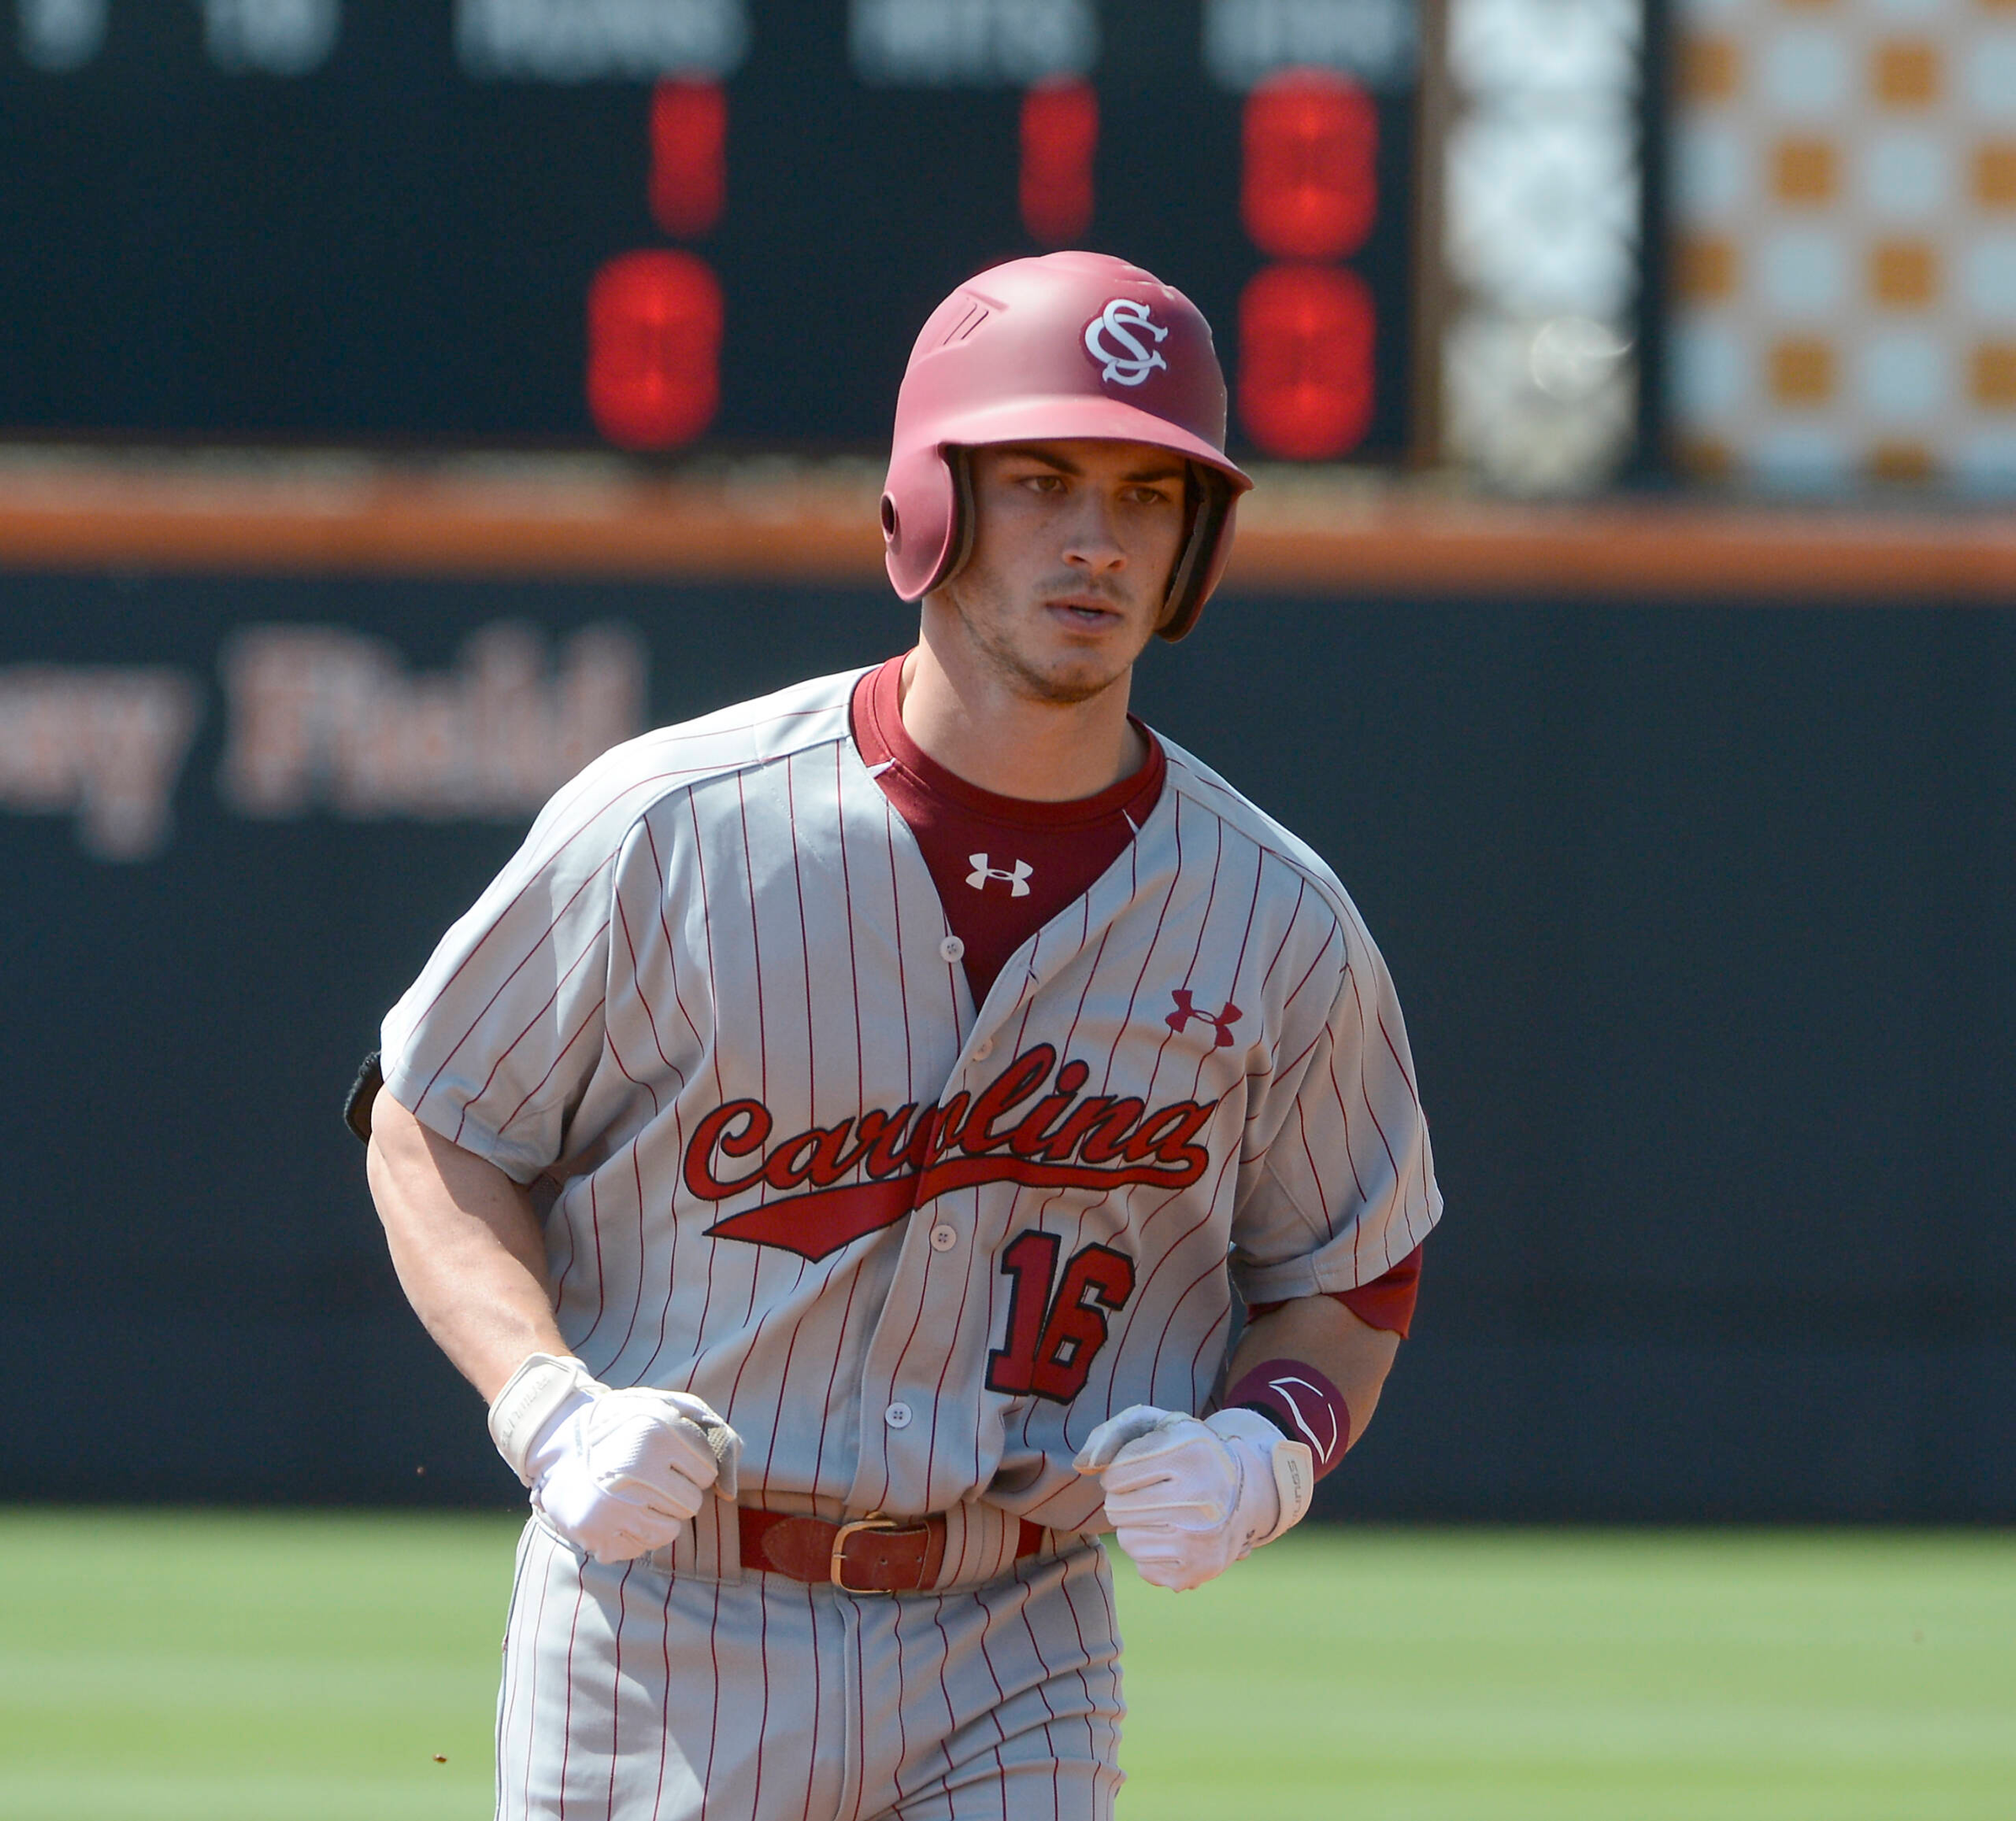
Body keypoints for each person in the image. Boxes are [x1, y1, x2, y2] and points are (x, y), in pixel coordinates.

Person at [358, 250, 1440, 1821]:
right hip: (668, 1616)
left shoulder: (1271, 915)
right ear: (929, 506)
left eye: (1148, 495)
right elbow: (432, 1120)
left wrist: (1270, 1444)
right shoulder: (676, 827)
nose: (1097, 540)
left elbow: (1350, 1267)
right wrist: (545, 1402)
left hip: (1018, 1631)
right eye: (1044, 479)